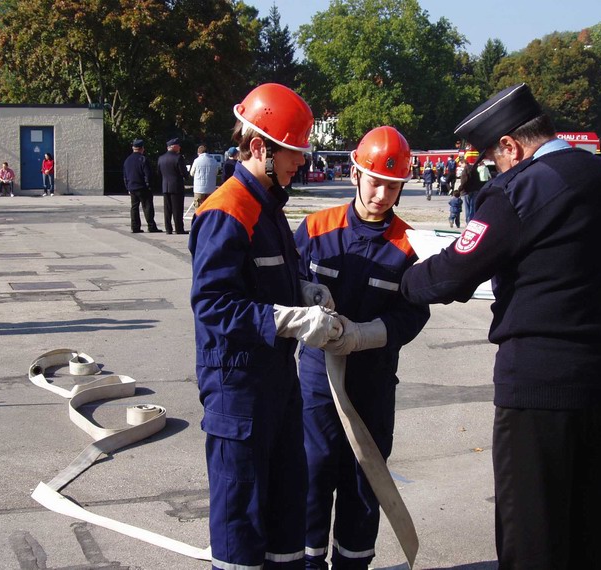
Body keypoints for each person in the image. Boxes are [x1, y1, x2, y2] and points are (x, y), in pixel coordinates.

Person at [400, 83, 601, 569]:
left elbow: (451, 272)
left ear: (510, 146)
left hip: (542, 386)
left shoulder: (525, 187)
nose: (493, 169)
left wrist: (403, 281)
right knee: (592, 533)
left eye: (493, 159)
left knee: (531, 537)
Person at [188, 83, 342, 570]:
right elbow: (212, 306)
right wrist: (291, 319)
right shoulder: (227, 211)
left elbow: (266, 277)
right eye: (294, 153)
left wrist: (302, 291)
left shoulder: (268, 206)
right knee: (242, 525)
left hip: (276, 383)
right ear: (260, 147)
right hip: (237, 388)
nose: (301, 162)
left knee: (285, 517)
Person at [294, 125, 430, 570]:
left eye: (393, 186)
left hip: (372, 381)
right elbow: (284, 286)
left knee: (363, 480)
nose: (382, 194)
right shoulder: (316, 228)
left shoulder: (409, 245)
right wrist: (305, 304)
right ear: (355, 173)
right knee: (313, 475)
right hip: (317, 379)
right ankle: (309, 563)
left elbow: (413, 314)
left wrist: (365, 334)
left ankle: (352, 564)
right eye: (375, 182)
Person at [124, 139, 162, 233]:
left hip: (132, 187)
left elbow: (125, 175)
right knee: (147, 207)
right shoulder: (143, 159)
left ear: (133, 148)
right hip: (142, 187)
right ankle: (151, 226)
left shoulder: (127, 160)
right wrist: (149, 185)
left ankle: (135, 227)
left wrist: (128, 187)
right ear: (142, 148)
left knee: (134, 207)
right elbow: (147, 174)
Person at [155, 138, 189, 234]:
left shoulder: (161, 158)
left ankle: (168, 229)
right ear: (174, 146)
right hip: (176, 186)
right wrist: (187, 177)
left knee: (167, 209)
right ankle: (179, 228)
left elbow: (158, 172)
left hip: (165, 186)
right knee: (177, 209)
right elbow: (183, 172)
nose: (180, 147)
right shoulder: (178, 157)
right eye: (178, 145)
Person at [189, 145, 219, 212]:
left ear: (199, 153)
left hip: (199, 189)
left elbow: (192, 173)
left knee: (198, 207)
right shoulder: (214, 161)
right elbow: (216, 172)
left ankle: (198, 220)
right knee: (209, 207)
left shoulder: (196, 160)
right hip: (210, 188)